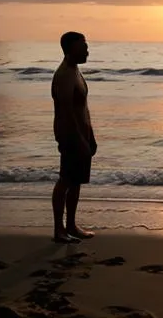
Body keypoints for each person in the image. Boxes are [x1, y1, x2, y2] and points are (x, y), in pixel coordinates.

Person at [51, 31, 97, 243]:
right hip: (71, 136)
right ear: (70, 49)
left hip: (81, 135)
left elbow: (83, 108)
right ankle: (59, 229)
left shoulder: (76, 71)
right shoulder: (64, 75)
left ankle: (71, 225)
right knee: (66, 180)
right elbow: (67, 112)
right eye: (83, 46)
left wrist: (91, 135)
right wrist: (79, 139)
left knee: (76, 181)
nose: (87, 50)